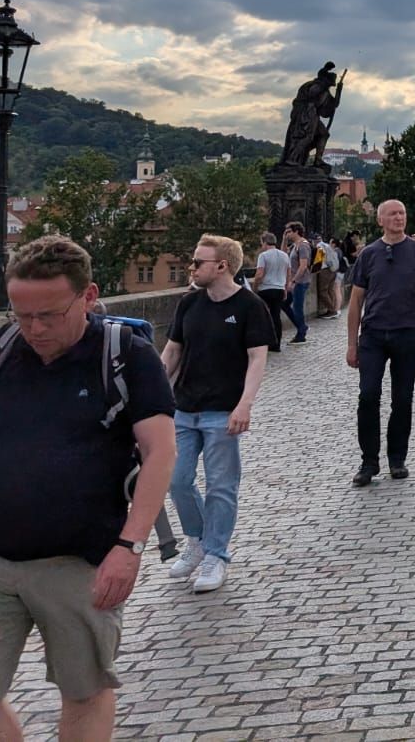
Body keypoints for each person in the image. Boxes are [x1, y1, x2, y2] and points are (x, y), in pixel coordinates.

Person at [0, 236, 176, 741]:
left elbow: (160, 453)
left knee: (83, 693)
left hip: (81, 563)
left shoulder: (125, 357)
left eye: (49, 315)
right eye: (22, 315)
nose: (34, 328)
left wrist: (130, 546)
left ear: (88, 296)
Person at [160, 234, 272, 594]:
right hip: (184, 408)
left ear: (222, 266)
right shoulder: (189, 303)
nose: (191, 268)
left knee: (221, 486)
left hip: (222, 410)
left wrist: (245, 404)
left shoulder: (250, 306)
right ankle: (197, 540)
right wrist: (154, 395)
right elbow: (172, 352)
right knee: (177, 480)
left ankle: (216, 555)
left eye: (198, 262)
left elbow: (257, 359)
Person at [345, 200, 415, 486]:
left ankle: (397, 459)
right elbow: (355, 301)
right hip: (373, 334)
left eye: (402, 213)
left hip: (406, 332)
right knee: (368, 396)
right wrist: (352, 344)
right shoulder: (368, 254)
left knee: (402, 398)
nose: (399, 218)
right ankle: (368, 461)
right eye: (393, 214)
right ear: (381, 220)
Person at [252, 232, 289, 352]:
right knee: (276, 316)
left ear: (264, 242)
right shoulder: (284, 255)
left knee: (263, 316)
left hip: (266, 289)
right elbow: (288, 274)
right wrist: (285, 288)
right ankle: (276, 344)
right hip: (279, 288)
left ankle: (265, 341)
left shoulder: (263, 256)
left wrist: (254, 287)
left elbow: (259, 274)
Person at [282, 221, 312, 344]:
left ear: (296, 231)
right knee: (284, 303)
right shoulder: (295, 245)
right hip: (294, 281)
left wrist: (294, 281)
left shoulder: (303, 245)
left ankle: (301, 333)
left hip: (300, 281)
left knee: (297, 307)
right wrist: (284, 240)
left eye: (289, 231)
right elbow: (283, 254)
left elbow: (303, 265)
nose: (287, 234)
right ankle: (302, 326)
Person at [313, 233, 340, 319]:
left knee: (323, 291)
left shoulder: (320, 245)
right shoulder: (329, 247)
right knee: (330, 290)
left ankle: (332, 310)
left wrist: (315, 268)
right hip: (333, 270)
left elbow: (319, 258)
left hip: (325, 270)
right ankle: (333, 310)